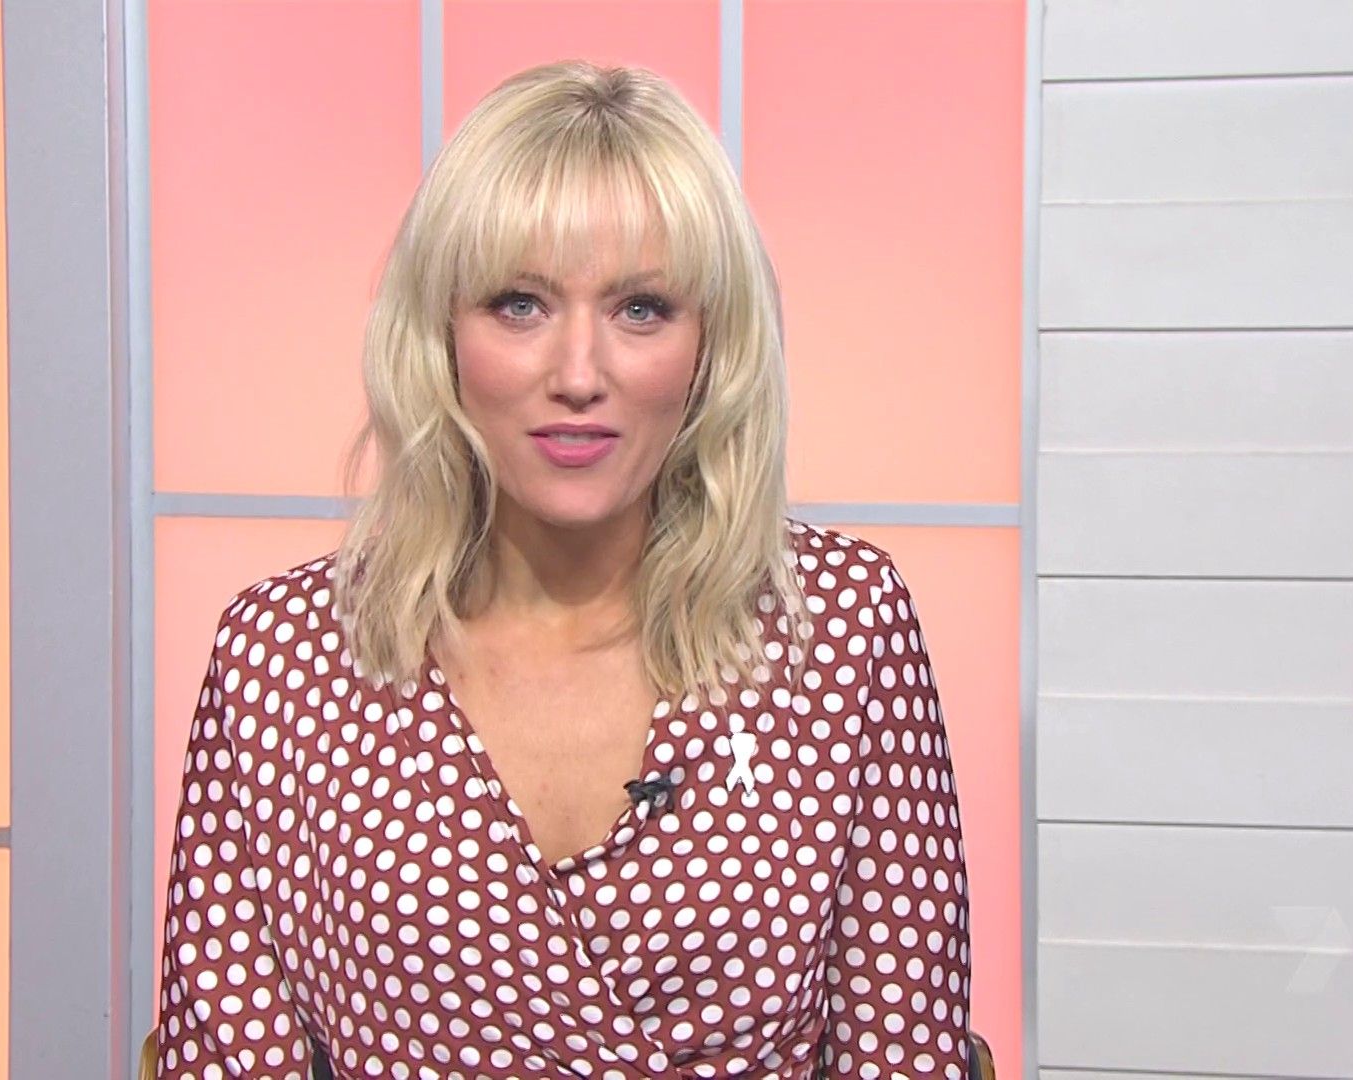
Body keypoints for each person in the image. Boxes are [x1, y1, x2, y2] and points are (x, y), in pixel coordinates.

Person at [156, 59, 970, 1080]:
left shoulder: (840, 625)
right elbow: (227, 1060)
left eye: (641, 309)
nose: (579, 375)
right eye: (520, 304)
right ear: (441, 336)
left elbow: (904, 1053)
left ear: (712, 347)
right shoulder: (282, 658)